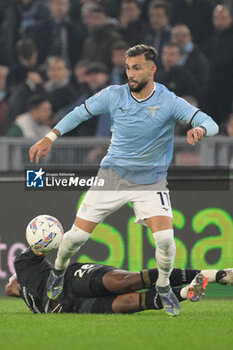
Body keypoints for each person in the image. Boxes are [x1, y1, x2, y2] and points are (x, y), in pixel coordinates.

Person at [29, 44, 219, 317]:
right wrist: (50, 137)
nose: (130, 73)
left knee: (165, 239)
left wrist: (200, 128)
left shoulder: (169, 101)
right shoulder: (113, 95)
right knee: (75, 238)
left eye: (137, 68)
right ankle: (58, 271)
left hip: (150, 183)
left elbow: (211, 122)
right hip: (112, 177)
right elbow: (80, 113)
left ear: (152, 70)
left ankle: (164, 286)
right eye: (128, 68)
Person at [6, 246, 233, 314]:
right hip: (71, 306)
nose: (13, 286)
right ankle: (187, 293)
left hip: (70, 279)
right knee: (126, 304)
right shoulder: (28, 295)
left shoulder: (24, 263)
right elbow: (10, 289)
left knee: (126, 281)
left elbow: (42, 246)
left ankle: (215, 274)